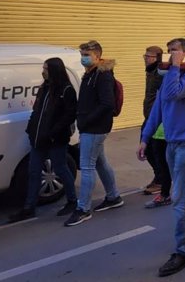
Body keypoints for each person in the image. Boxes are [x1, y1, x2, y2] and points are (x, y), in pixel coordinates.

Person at [139, 38, 185, 277]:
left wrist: (176, 67)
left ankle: (182, 251)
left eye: (175, 51)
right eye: (169, 51)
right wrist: (145, 138)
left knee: (179, 196)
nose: (170, 55)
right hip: (173, 141)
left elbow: (172, 92)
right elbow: (159, 108)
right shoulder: (171, 74)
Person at [9, 58, 78, 223]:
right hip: (38, 138)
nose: (43, 71)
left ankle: (72, 201)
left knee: (60, 169)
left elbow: (69, 115)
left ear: (54, 70)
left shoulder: (66, 90)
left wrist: (53, 132)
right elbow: (37, 110)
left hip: (56, 139)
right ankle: (29, 207)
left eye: (45, 68)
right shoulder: (44, 88)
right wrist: (31, 129)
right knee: (33, 172)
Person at [65, 40, 122, 227]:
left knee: (87, 166)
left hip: (95, 128)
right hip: (91, 126)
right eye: (82, 54)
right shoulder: (90, 74)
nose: (83, 58)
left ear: (97, 56)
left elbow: (107, 104)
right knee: (100, 162)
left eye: (86, 55)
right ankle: (113, 197)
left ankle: (83, 209)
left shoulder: (102, 75)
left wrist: (86, 120)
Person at [142, 46, 164, 196]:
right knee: (147, 149)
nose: (145, 58)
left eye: (149, 56)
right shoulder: (150, 72)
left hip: (157, 119)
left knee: (154, 150)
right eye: (145, 55)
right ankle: (160, 177)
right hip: (149, 117)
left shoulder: (160, 73)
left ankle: (162, 180)